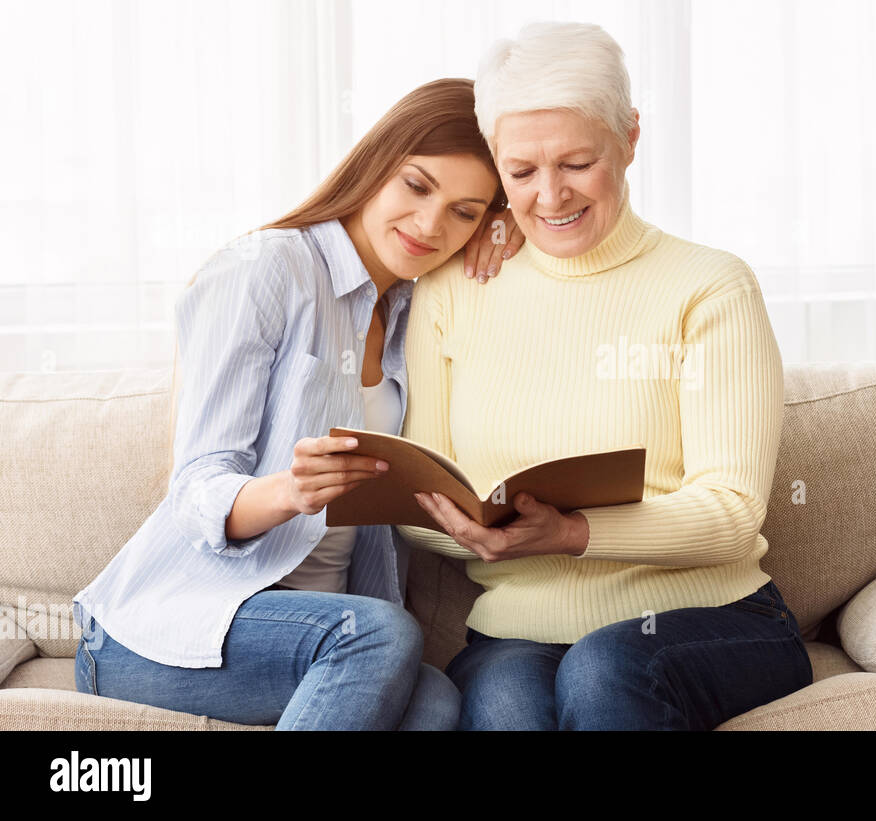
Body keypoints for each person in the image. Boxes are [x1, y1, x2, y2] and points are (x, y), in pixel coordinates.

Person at [72, 78, 523, 730]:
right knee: (378, 634)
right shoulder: (266, 270)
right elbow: (197, 488)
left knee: (436, 702)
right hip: (173, 627)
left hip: (319, 631)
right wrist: (288, 491)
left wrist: (511, 227)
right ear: (374, 166)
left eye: (465, 211)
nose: (430, 225)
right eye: (417, 186)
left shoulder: (411, 309)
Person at [399, 23, 813, 731]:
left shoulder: (710, 287)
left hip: (707, 618)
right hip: (516, 631)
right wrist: (479, 529)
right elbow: (421, 493)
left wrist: (570, 532)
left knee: (603, 667)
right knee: (507, 711)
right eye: (521, 172)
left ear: (630, 137)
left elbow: (733, 511)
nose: (550, 197)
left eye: (577, 163)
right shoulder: (452, 289)